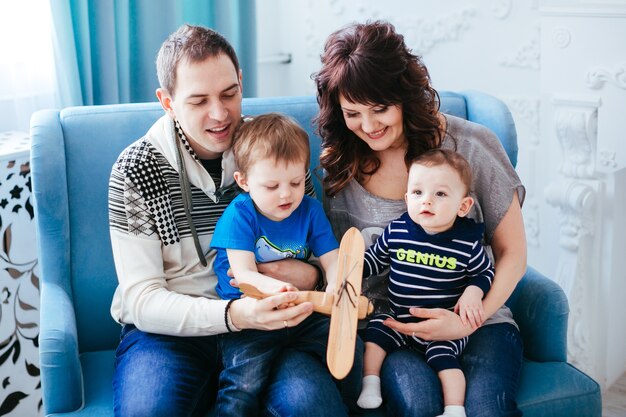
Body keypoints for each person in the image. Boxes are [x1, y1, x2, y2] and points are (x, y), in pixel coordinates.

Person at [108, 24, 359, 417]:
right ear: (167, 101)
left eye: (229, 93)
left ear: (242, 81)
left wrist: (311, 276)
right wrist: (233, 315)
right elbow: (141, 299)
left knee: (313, 406)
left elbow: (314, 246)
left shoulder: (275, 151)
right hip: (170, 334)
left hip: (271, 324)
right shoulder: (138, 169)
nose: (220, 113)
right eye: (198, 101)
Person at [314, 20, 526, 417]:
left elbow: (513, 253)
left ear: (405, 96)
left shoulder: (470, 145)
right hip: (391, 325)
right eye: (353, 113)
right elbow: (338, 260)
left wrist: (466, 323)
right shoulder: (339, 165)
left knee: (487, 409)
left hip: (480, 322)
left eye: (380, 109)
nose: (369, 126)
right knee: (419, 404)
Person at [211, 113, 354, 416]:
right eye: (272, 186)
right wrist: (280, 289)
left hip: (302, 311)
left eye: (295, 181)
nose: (287, 194)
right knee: (243, 384)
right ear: (244, 181)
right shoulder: (241, 214)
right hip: (252, 317)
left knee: (352, 346)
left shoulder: (310, 210)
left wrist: (335, 287)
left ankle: (355, 401)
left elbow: (332, 258)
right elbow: (244, 273)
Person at [357, 149, 494, 417]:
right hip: (400, 319)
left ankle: (455, 409)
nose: (426, 201)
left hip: (442, 324)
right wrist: (347, 269)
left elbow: (485, 273)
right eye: (418, 193)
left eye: (440, 194)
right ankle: (370, 384)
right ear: (407, 198)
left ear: (463, 206)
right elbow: (372, 262)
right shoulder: (397, 231)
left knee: (445, 360)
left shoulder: (466, 244)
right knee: (375, 335)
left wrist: (473, 292)